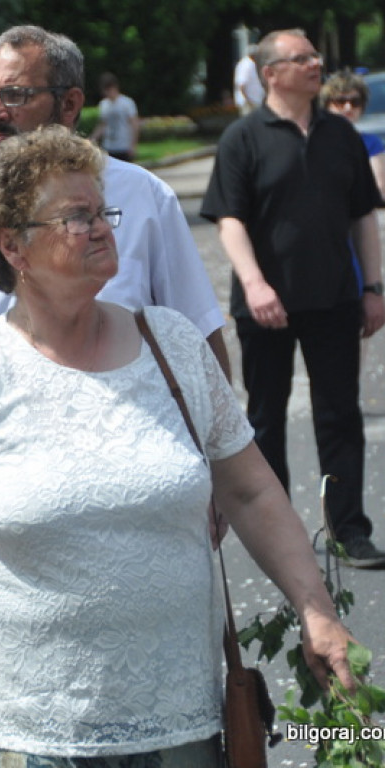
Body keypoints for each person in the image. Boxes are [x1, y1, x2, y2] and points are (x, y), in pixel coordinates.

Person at [0, 125, 357, 768]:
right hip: (37, 733)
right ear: (13, 247)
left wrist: (317, 611)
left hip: (183, 725)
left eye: (103, 211)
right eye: (76, 217)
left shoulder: (173, 345)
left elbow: (250, 490)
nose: (105, 228)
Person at [0, 25, 229, 551]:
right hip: (7, 505)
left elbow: (200, 340)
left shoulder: (145, 200)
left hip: (141, 476)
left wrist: (217, 468)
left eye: (14, 94)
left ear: (70, 104)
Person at [201, 29, 385, 568]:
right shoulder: (243, 138)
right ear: (270, 74)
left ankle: (348, 531)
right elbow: (229, 220)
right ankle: (275, 533)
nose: (315, 63)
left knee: (340, 416)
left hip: (334, 299)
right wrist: (255, 284)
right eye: (301, 57)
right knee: (265, 420)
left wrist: (373, 287)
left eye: (314, 55)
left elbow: (362, 218)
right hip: (265, 306)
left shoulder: (341, 135)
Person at [321, 69, 385, 199]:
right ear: (327, 105)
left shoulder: (371, 143)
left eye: (355, 102)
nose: (348, 107)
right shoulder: (315, 141)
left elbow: (380, 188)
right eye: (340, 101)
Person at [88, 72, 139, 161]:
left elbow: (134, 125)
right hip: (108, 146)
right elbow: (102, 125)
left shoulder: (127, 103)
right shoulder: (103, 104)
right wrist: (91, 139)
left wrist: (133, 145)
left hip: (123, 146)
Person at [234, 46, 265, 116]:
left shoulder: (252, 64)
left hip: (255, 100)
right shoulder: (246, 65)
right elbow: (241, 84)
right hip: (250, 102)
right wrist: (248, 100)